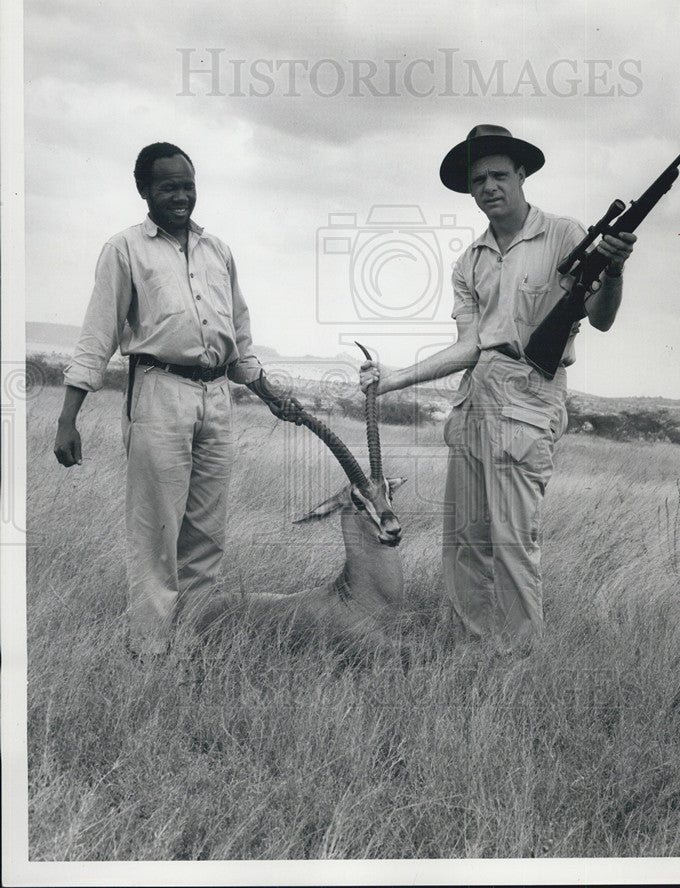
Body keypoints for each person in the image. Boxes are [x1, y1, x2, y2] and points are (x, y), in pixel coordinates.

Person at [360, 125, 636, 647]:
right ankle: (471, 655)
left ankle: (520, 665)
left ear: (522, 175)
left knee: (512, 543)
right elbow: (471, 345)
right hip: (472, 404)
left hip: (528, 402)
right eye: (478, 179)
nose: (488, 186)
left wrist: (615, 270)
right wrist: (391, 380)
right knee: (465, 543)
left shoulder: (565, 235)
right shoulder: (469, 262)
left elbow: (600, 319)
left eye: (499, 175)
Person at [53, 142, 300, 657]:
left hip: (217, 396)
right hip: (159, 393)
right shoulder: (124, 249)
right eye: (168, 186)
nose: (181, 195)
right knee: (157, 530)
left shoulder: (219, 251)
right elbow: (97, 334)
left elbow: (241, 338)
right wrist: (68, 418)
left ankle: (190, 644)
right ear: (144, 191)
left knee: (207, 534)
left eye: (188, 185)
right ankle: (149, 652)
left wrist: (271, 395)